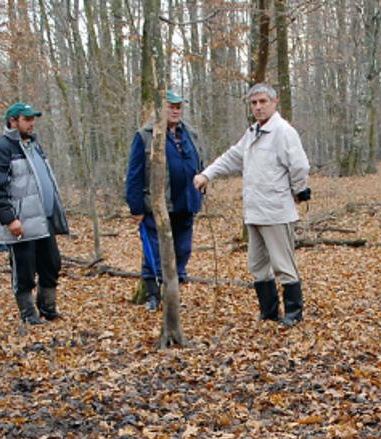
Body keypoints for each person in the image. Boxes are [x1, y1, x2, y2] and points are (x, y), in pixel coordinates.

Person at [194, 83, 311, 326]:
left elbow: (299, 165)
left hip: (276, 211)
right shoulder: (252, 133)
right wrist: (207, 174)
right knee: (257, 265)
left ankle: (293, 313)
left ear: (274, 102)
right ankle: (269, 312)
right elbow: (232, 157)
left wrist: (298, 191)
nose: (258, 107)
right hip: (254, 211)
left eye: (263, 102)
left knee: (283, 264)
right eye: (254, 103)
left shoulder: (283, 131)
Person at [0, 102, 70, 325]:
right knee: (24, 271)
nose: (32, 123)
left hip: (43, 220)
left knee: (52, 265)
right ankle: (29, 314)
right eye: (27, 119)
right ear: (13, 121)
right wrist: (10, 219)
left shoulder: (33, 146)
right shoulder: (0, 149)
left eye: (33, 119)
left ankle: (48, 308)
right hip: (21, 224)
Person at [125, 89, 205, 312]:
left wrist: (201, 190)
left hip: (185, 203)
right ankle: (154, 295)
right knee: (155, 252)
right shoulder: (145, 135)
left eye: (178, 107)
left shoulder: (190, 133)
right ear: (161, 109)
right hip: (156, 205)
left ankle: (174, 289)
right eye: (171, 106)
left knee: (183, 249)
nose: (175, 111)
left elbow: (200, 163)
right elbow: (134, 173)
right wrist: (136, 208)